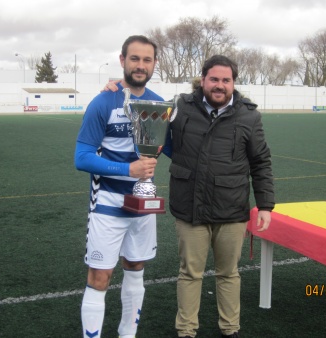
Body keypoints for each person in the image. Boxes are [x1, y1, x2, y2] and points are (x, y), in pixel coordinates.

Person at [164, 55, 275, 338]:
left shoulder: (249, 115)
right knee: (190, 273)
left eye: (226, 80)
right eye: (214, 79)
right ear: (202, 80)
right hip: (190, 207)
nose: (219, 85)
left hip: (231, 209)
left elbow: (260, 161)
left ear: (233, 83)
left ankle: (230, 329)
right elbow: (147, 114)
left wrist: (265, 205)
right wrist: (120, 88)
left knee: (228, 273)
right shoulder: (179, 107)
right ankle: (186, 331)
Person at [74, 35, 163, 338]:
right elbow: (82, 157)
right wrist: (128, 169)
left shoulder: (157, 104)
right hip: (107, 204)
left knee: (136, 271)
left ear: (154, 64)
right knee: (100, 277)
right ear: (123, 60)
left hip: (142, 205)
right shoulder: (103, 101)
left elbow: (174, 148)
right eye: (134, 59)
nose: (140, 65)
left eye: (147, 60)